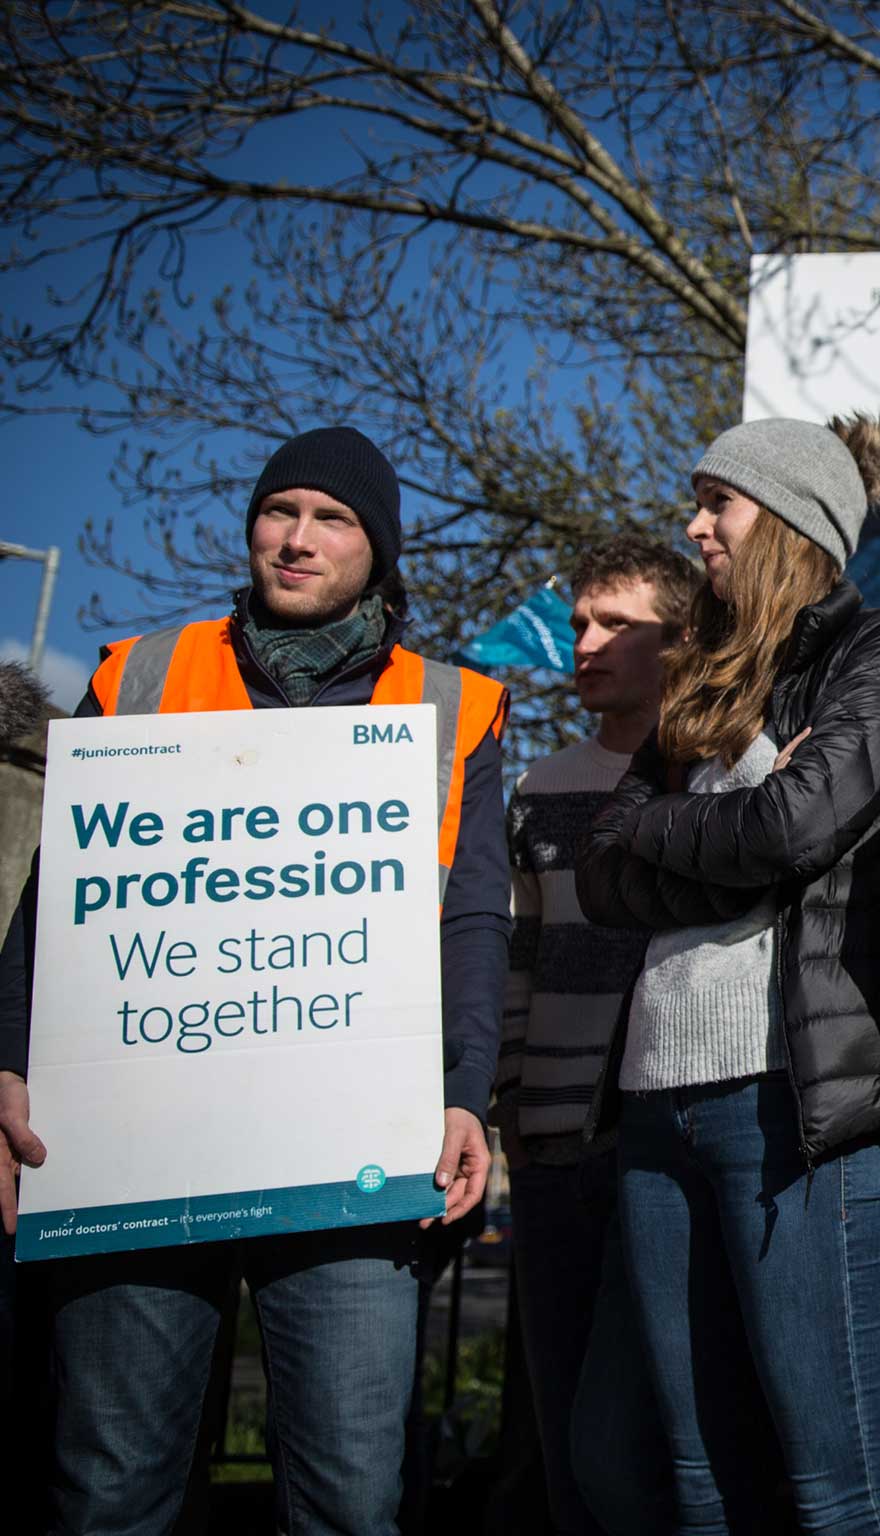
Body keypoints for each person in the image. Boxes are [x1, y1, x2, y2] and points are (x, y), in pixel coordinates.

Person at [0, 426, 509, 1534]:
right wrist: (7, 1059)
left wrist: (466, 1089)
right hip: (135, 1147)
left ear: (378, 547)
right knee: (108, 1488)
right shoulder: (138, 672)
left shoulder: (451, 706)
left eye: (333, 519)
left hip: (353, 1151)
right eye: (280, 511)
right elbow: (57, 898)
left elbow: (470, 920)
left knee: (347, 1495)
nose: (297, 538)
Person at [574, 413, 880, 1534]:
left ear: (790, 521)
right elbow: (603, 871)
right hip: (655, 1104)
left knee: (832, 1487)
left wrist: (707, 826)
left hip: (789, 1104)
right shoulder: (694, 674)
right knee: (697, 1483)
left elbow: (794, 832)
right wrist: (734, 830)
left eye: (718, 504)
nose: (693, 526)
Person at [491, 536, 700, 1535]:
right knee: (566, 1421)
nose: (586, 643)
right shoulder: (537, 788)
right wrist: (510, 1109)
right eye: (580, 621)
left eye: (616, 624)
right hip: (555, 1146)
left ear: (681, 637)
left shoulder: (715, 774)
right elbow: (517, 955)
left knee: (667, 1433)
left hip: (673, 1136)